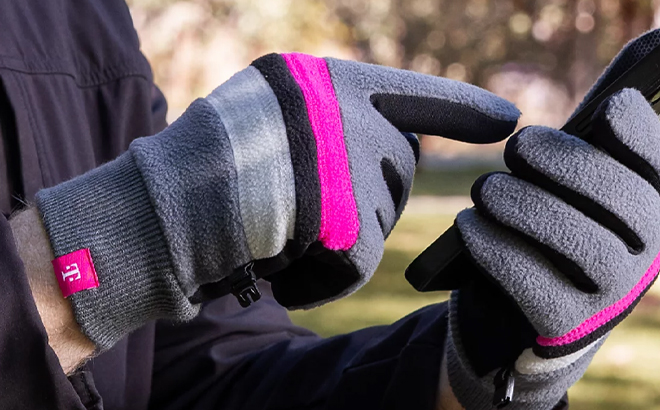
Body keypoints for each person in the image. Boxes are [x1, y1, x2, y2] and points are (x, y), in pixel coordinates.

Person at [2, 1, 658, 409]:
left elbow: (193, 374)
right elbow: (120, 257)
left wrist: (467, 373)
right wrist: (119, 245)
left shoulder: (77, 12)